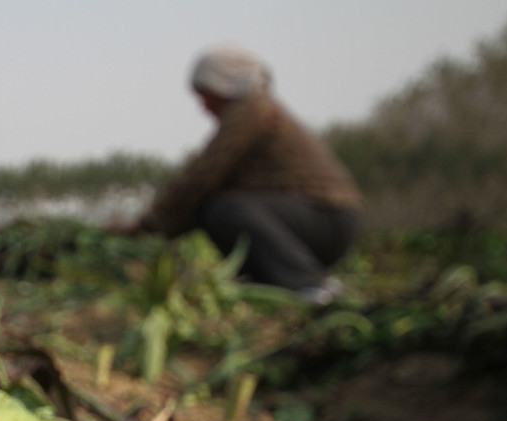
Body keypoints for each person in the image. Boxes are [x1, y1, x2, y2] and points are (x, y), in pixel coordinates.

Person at [133, 45, 363, 304]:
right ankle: (275, 287)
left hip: (326, 220)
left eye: (205, 95)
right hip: (313, 221)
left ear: (221, 85)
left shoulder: (251, 110)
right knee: (213, 209)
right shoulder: (254, 111)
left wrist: (148, 224)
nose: (204, 106)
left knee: (224, 208)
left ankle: (308, 285)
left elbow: (204, 174)